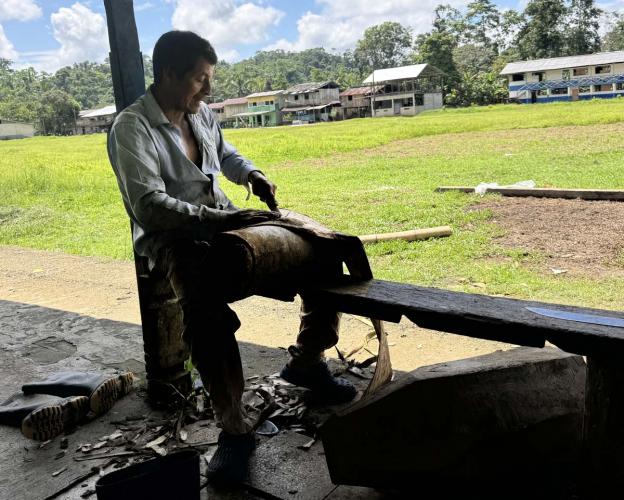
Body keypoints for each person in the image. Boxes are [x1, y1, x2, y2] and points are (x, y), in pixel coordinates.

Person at [107, 30, 357, 483]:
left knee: (323, 249)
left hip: (225, 219)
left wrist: (253, 175)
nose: (209, 88)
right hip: (174, 238)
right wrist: (215, 220)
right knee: (203, 309)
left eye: (209, 78)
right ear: (168, 74)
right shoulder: (132, 127)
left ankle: (307, 361)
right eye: (200, 79)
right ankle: (233, 426)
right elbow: (148, 206)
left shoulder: (199, 114)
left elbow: (225, 153)